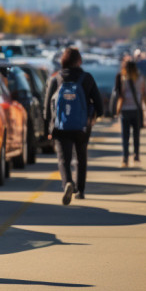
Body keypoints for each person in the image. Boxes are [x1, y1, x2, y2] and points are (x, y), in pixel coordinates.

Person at [44, 47, 103, 205]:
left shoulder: (56, 79)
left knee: (64, 159)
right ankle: (81, 190)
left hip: (61, 126)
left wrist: (49, 127)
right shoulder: (87, 78)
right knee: (81, 157)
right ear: (78, 61)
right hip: (82, 126)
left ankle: (68, 183)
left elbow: (47, 106)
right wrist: (93, 118)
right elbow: (99, 105)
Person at [114, 59, 146, 167]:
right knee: (136, 135)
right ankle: (136, 155)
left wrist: (117, 111)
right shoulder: (141, 79)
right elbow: (145, 95)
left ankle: (125, 158)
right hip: (136, 110)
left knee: (125, 136)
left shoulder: (123, 80)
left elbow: (121, 97)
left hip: (125, 111)